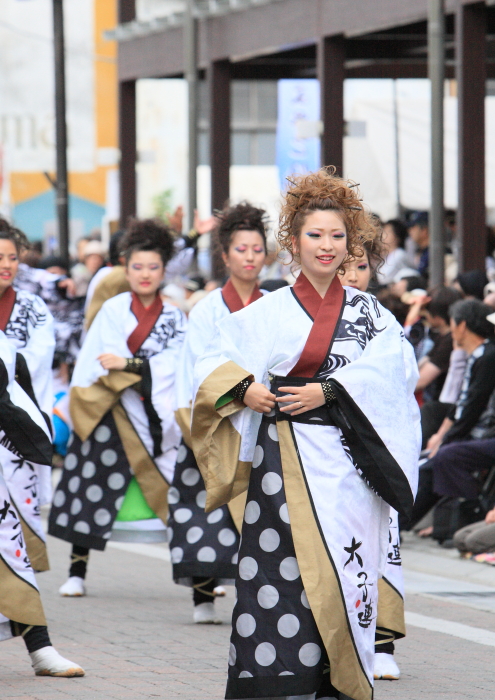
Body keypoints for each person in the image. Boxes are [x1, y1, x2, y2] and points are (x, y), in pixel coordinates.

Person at [191, 169, 420, 700]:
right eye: (314, 235)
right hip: (282, 466)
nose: (327, 246)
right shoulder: (267, 311)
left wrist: (332, 389)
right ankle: (277, 683)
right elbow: (210, 361)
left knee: (345, 569)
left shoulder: (371, 315)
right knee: (281, 576)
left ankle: (339, 681)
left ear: (351, 243)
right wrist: (244, 387)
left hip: (349, 466)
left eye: (338, 236)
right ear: (292, 243)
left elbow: (396, 373)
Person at [49, 219, 187, 596]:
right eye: (137, 267)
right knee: (92, 482)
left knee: (182, 489)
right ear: (125, 269)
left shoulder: (174, 315)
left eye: (153, 267)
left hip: (157, 414)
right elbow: (98, 358)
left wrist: (130, 365)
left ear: (164, 271)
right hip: (111, 408)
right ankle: (77, 572)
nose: (145, 275)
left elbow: (176, 366)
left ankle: (198, 575)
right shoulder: (112, 308)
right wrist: (132, 367)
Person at [169, 203, 268, 624]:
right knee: (203, 507)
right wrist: (232, 394)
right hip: (214, 416)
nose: (249, 256)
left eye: (257, 249)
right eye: (240, 249)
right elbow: (198, 363)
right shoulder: (208, 308)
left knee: (259, 508)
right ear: (225, 256)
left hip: (261, 417)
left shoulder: (275, 304)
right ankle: (203, 593)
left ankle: (256, 593)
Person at [0, 331, 84, 677]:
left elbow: (27, 386)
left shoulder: (23, 319)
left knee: (9, 545)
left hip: (7, 452)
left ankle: (40, 646)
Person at [340, 240, 405, 683]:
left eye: (361, 267)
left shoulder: (382, 318)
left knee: (379, 540)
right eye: (346, 267)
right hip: (322, 444)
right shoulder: (290, 310)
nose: (353, 276)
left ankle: (382, 643)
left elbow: (405, 373)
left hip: (374, 443)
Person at [406, 300, 495, 530]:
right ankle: (413, 522)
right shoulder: (477, 354)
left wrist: (446, 438)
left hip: (484, 432)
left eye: (454, 322)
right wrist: (442, 435)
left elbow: (472, 406)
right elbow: (462, 403)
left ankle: (458, 521)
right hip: (475, 429)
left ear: (462, 325)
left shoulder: (487, 356)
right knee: (430, 453)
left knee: (441, 458)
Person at [0, 220, 55, 572]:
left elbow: (41, 355)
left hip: (18, 422)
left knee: (17, 513)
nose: (6, 264)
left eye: (13, 257)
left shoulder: (33, 306)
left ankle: (19, 598)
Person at [376, 219, 408, 285]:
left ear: (397, 236)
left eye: (387, 232)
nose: (382, 236)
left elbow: (383, 278)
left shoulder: (399, 254)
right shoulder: (387, 255)